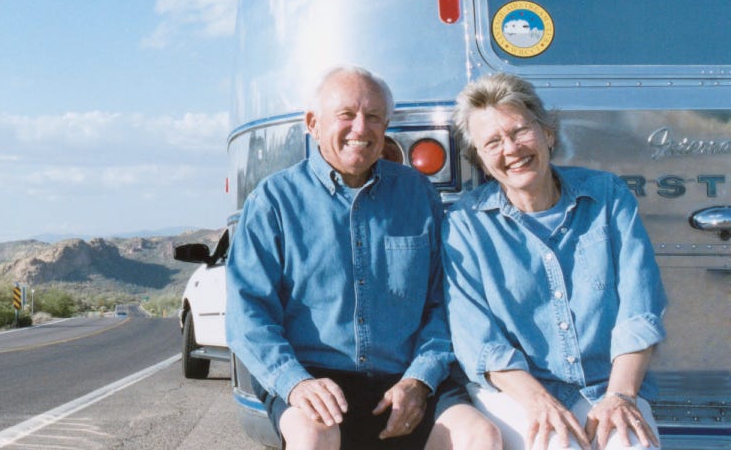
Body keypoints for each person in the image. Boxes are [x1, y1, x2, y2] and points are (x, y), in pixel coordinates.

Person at [226, 66, 499, 450]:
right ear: (312, 123)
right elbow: (247, 313)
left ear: (386, 125)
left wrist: (420, 379)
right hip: (313, 375)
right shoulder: (273, 200)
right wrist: (295, 381)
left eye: (373, 117)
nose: (360, 128)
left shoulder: (418, 194)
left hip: (407, 374)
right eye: (346, 115)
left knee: (479, 436)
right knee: (312, 435)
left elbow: (445, 303)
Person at [444, 72, 667, 450]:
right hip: (518, 393)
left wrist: (621, 396)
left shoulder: (608, 196)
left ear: (547, 133)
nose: (511, 149)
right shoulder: (465, 224)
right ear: (480, 159)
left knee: (633, 444)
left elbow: (639, 309)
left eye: (519, 131)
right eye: (493, 142)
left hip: (607, 385)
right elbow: (479, 342)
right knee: (556, 445)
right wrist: (539, 402)